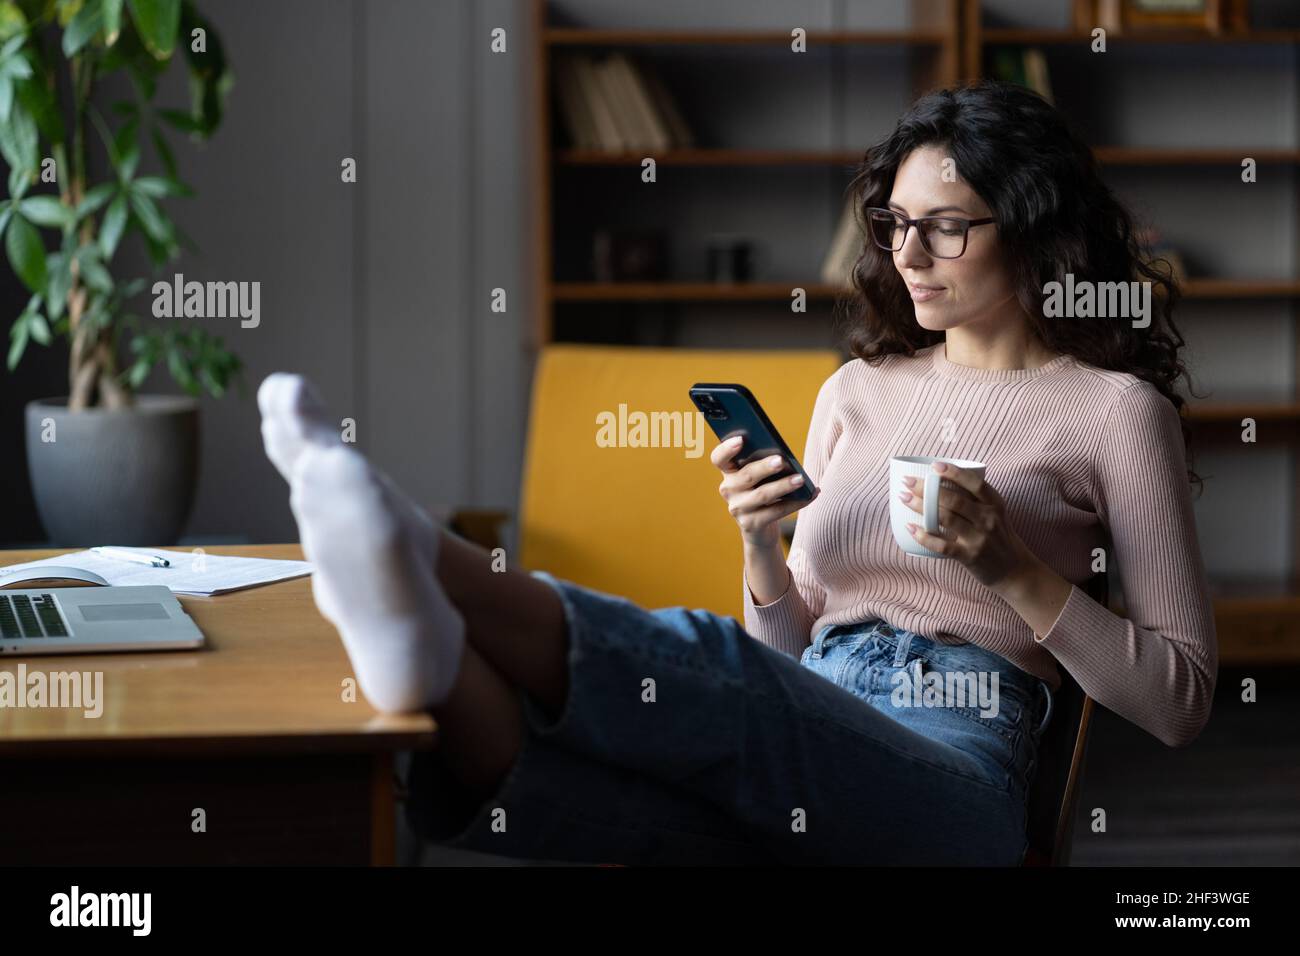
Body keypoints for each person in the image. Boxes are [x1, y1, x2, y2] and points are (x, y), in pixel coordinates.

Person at [258, 79, 1217, 866]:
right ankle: (432, 652)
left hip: (960, 765)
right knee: (602, 786)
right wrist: (761, 545)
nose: (907, 255)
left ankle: (425, 560)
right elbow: (791, 649)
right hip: (819, 705)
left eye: (947, 228)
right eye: (893, 222)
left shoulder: (1113, 412)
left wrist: (1010, 568)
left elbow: (1179, 703)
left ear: (1032, 229)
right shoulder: (857, 392)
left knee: (719, 677)